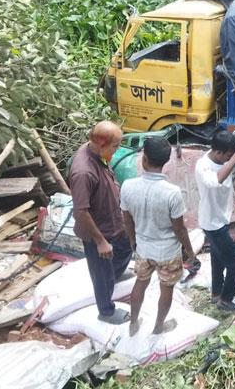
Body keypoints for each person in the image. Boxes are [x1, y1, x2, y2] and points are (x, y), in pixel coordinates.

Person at [121, 137, 195, 336]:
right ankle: (158, 327)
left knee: (140, 283)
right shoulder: (172, 193)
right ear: (166, 162)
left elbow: (127, 219)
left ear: (144, 159)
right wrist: (190, 252)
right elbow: (180, 230)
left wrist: (132, 240)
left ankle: (133, 323)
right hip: (167, 252)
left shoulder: (127, 186)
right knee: (166, 288)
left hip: (143, 248)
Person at [69, 121, 133, 324]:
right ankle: (106, 310)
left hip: (113, 220)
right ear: (101, 144)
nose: (117, 150)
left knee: (125, 249)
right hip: (97, 230)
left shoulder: (98, 152)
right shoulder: (83, 172)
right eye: (115, 146)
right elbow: (81, 211)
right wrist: (100, 242)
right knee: (101, 271)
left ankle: (114, 275)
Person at [195, 131, 235, 312]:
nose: (229, 160)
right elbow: (216, 180)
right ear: (218, 152)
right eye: (227, 156)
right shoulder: (203, 166)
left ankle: (217, 293)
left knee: (217, 259)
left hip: (220, 218)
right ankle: (225, 300)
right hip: (212, 223)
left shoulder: (223, 158)